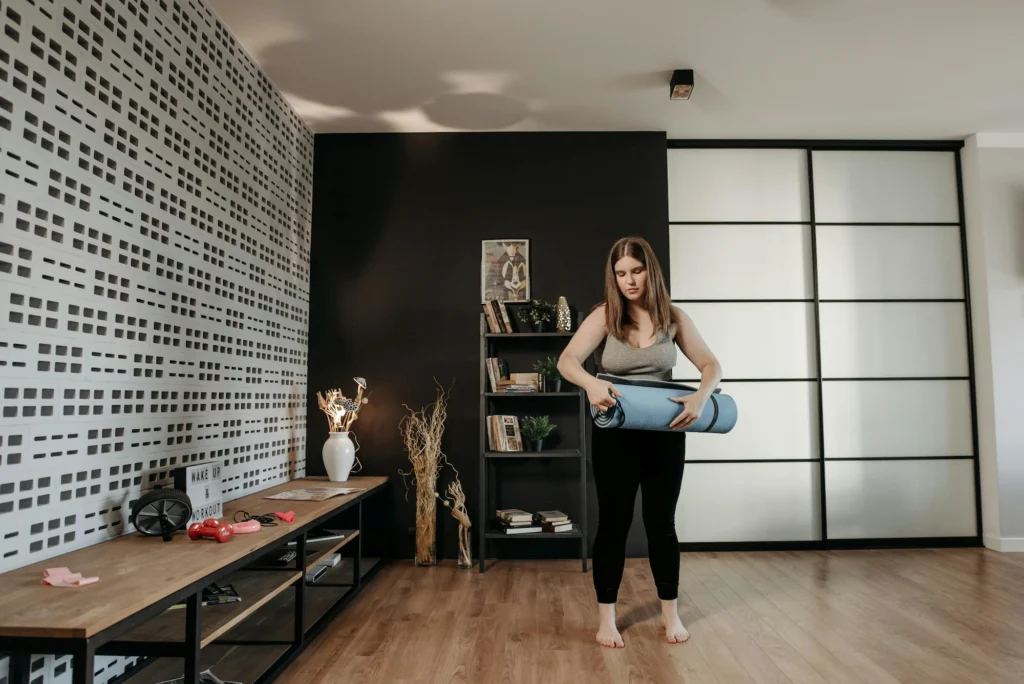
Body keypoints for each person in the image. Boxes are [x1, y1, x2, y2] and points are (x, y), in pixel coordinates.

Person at [557, 236, 722, 648]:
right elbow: (566, 361)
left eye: (636, 270)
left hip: (666, 434)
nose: (629, 280)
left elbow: (711, 365)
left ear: (651, 270)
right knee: (613, 525)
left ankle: (671, 616)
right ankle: (607, 619)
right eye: (621, 273)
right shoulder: (604, 317)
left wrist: (702, 395)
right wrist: (592, 384)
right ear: (613, 277)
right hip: (615, 435)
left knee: (661, 526)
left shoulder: (674, 318)